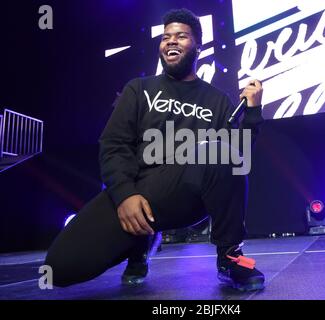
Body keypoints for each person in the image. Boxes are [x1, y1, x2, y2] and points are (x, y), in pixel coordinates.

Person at [45, 8, 265, 292]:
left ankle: (230, 257)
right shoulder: (139, 89)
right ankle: (138, 246)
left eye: (181, 36)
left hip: (185, 193)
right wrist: (125, 195)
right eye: (166, 37)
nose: (171, 41)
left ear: (197, 45)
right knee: (58, 268)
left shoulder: (217, 101)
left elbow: (239, 156)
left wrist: (253, 112)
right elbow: (114, 145)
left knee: (223, 151)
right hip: (139, 190)